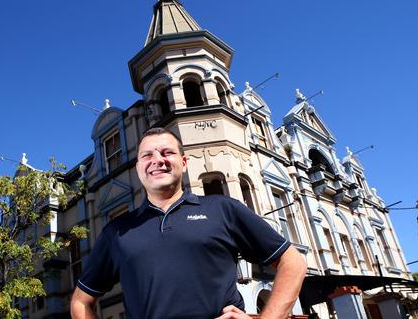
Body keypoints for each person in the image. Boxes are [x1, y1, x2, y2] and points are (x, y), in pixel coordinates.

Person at [71, 127, 306, 319]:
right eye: (147, 155)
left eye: (167, 153)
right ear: (138, 168)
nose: (158, 160)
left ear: (183, 162)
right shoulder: (117, 231)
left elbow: (293, 262)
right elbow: (81, 302)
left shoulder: (223, 209)